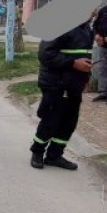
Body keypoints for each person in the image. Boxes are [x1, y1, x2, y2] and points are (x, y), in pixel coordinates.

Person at [30, 16, 95, 171]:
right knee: (51, 121)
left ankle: (54, 156)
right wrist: (73, 63)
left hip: (74, 85)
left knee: (68, 123)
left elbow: (83, 55)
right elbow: (46, 54)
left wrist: (86, 78)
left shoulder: (85, 28)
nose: (93, 12)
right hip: (56, 84)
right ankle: (37, 152)